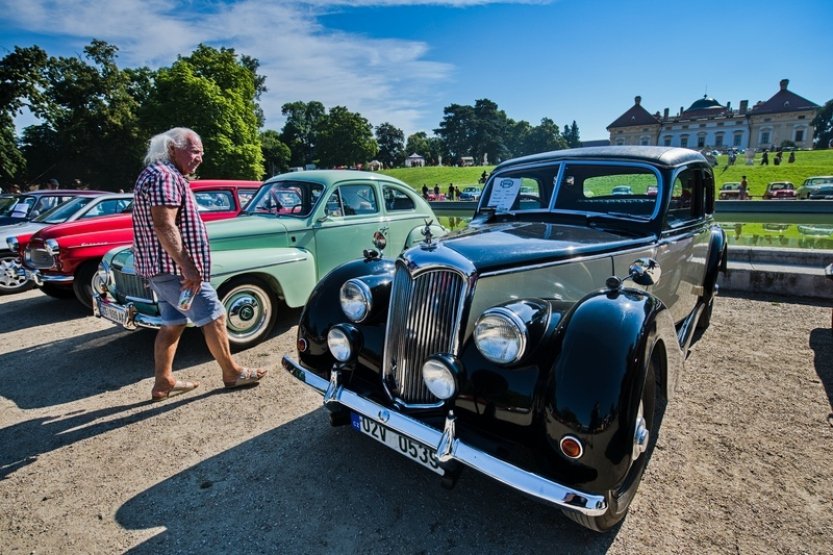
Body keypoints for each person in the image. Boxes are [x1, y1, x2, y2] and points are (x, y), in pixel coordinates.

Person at [132, 127, 266, 401]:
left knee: (173, 323)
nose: (199, 158)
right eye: (194, 151)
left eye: (201, 153)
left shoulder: (158, 173)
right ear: (172, 149)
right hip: (175, 272)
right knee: (215, 316)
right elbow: (164, 224)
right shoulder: (165, 177)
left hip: (163, 269)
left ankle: (163, 381)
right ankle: (232, 372)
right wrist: (187, 265)